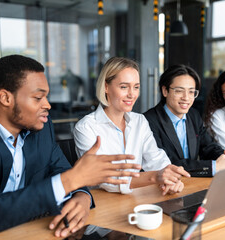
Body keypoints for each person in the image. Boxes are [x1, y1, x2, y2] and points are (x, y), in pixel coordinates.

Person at [0, 55, 142, 237]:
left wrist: (82, 197)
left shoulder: (41, 127)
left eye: (46, 97)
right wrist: (74, 180)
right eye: (38, 97)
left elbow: (62, 170)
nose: (47, 105)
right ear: (5, 98)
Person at [74, 57, 190, 195]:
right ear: (106, 87)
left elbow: (156, 159)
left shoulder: (139, 121)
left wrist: (171, 178)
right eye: (124, 87)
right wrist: (155, 177)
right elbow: (105, 179)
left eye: (136, 87)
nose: (132, 94)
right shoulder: (86, 127)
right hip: (101, 204)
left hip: (134, 199)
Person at [144, 64, 225, 177]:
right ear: (165, 91)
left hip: (191, 183)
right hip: (165, 185)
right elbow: (168, 163)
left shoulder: (193, 115)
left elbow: (208, 147)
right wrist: (214, 166)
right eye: (179, 91)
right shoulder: (148, 121)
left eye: (191, 92)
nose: (186, 97)